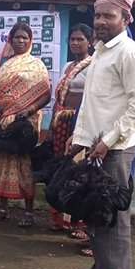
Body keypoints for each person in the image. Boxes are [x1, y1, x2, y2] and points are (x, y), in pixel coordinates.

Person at [69, 0, 135, 269]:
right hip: (94, 147)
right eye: (98, 15)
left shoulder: (130, 53)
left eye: (109, 15)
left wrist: (107, 141)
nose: (101, 21)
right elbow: (96, 103)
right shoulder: (101, 52)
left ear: (126, 19)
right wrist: (79, 137)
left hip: (115, 149)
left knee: (114, 217)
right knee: (95, 211)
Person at [0, 22, 51, 228]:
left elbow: (46, 95)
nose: (21, 41)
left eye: (25, 37)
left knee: (25, 164)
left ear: (30, 41)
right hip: (3, 121)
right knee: (0, 161)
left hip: (25, 123)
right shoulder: (3, 65)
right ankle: (3, 209)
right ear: (10, 40)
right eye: (17, 37)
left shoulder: (36, 65)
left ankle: (29, 212)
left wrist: (28, 111)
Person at [48, 23, 93, 243]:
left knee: (78, 172)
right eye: (72, 39)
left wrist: (80, 127)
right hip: (61, 123)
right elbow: (59, 99)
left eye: (80, 39)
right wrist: (52, 126)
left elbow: (91, 99)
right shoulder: (67, 65)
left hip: (79, 123)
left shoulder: (93, 66)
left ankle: (79, 222)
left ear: (90, 42)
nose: (75, 43)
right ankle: (60, 217)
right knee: (62, 169)